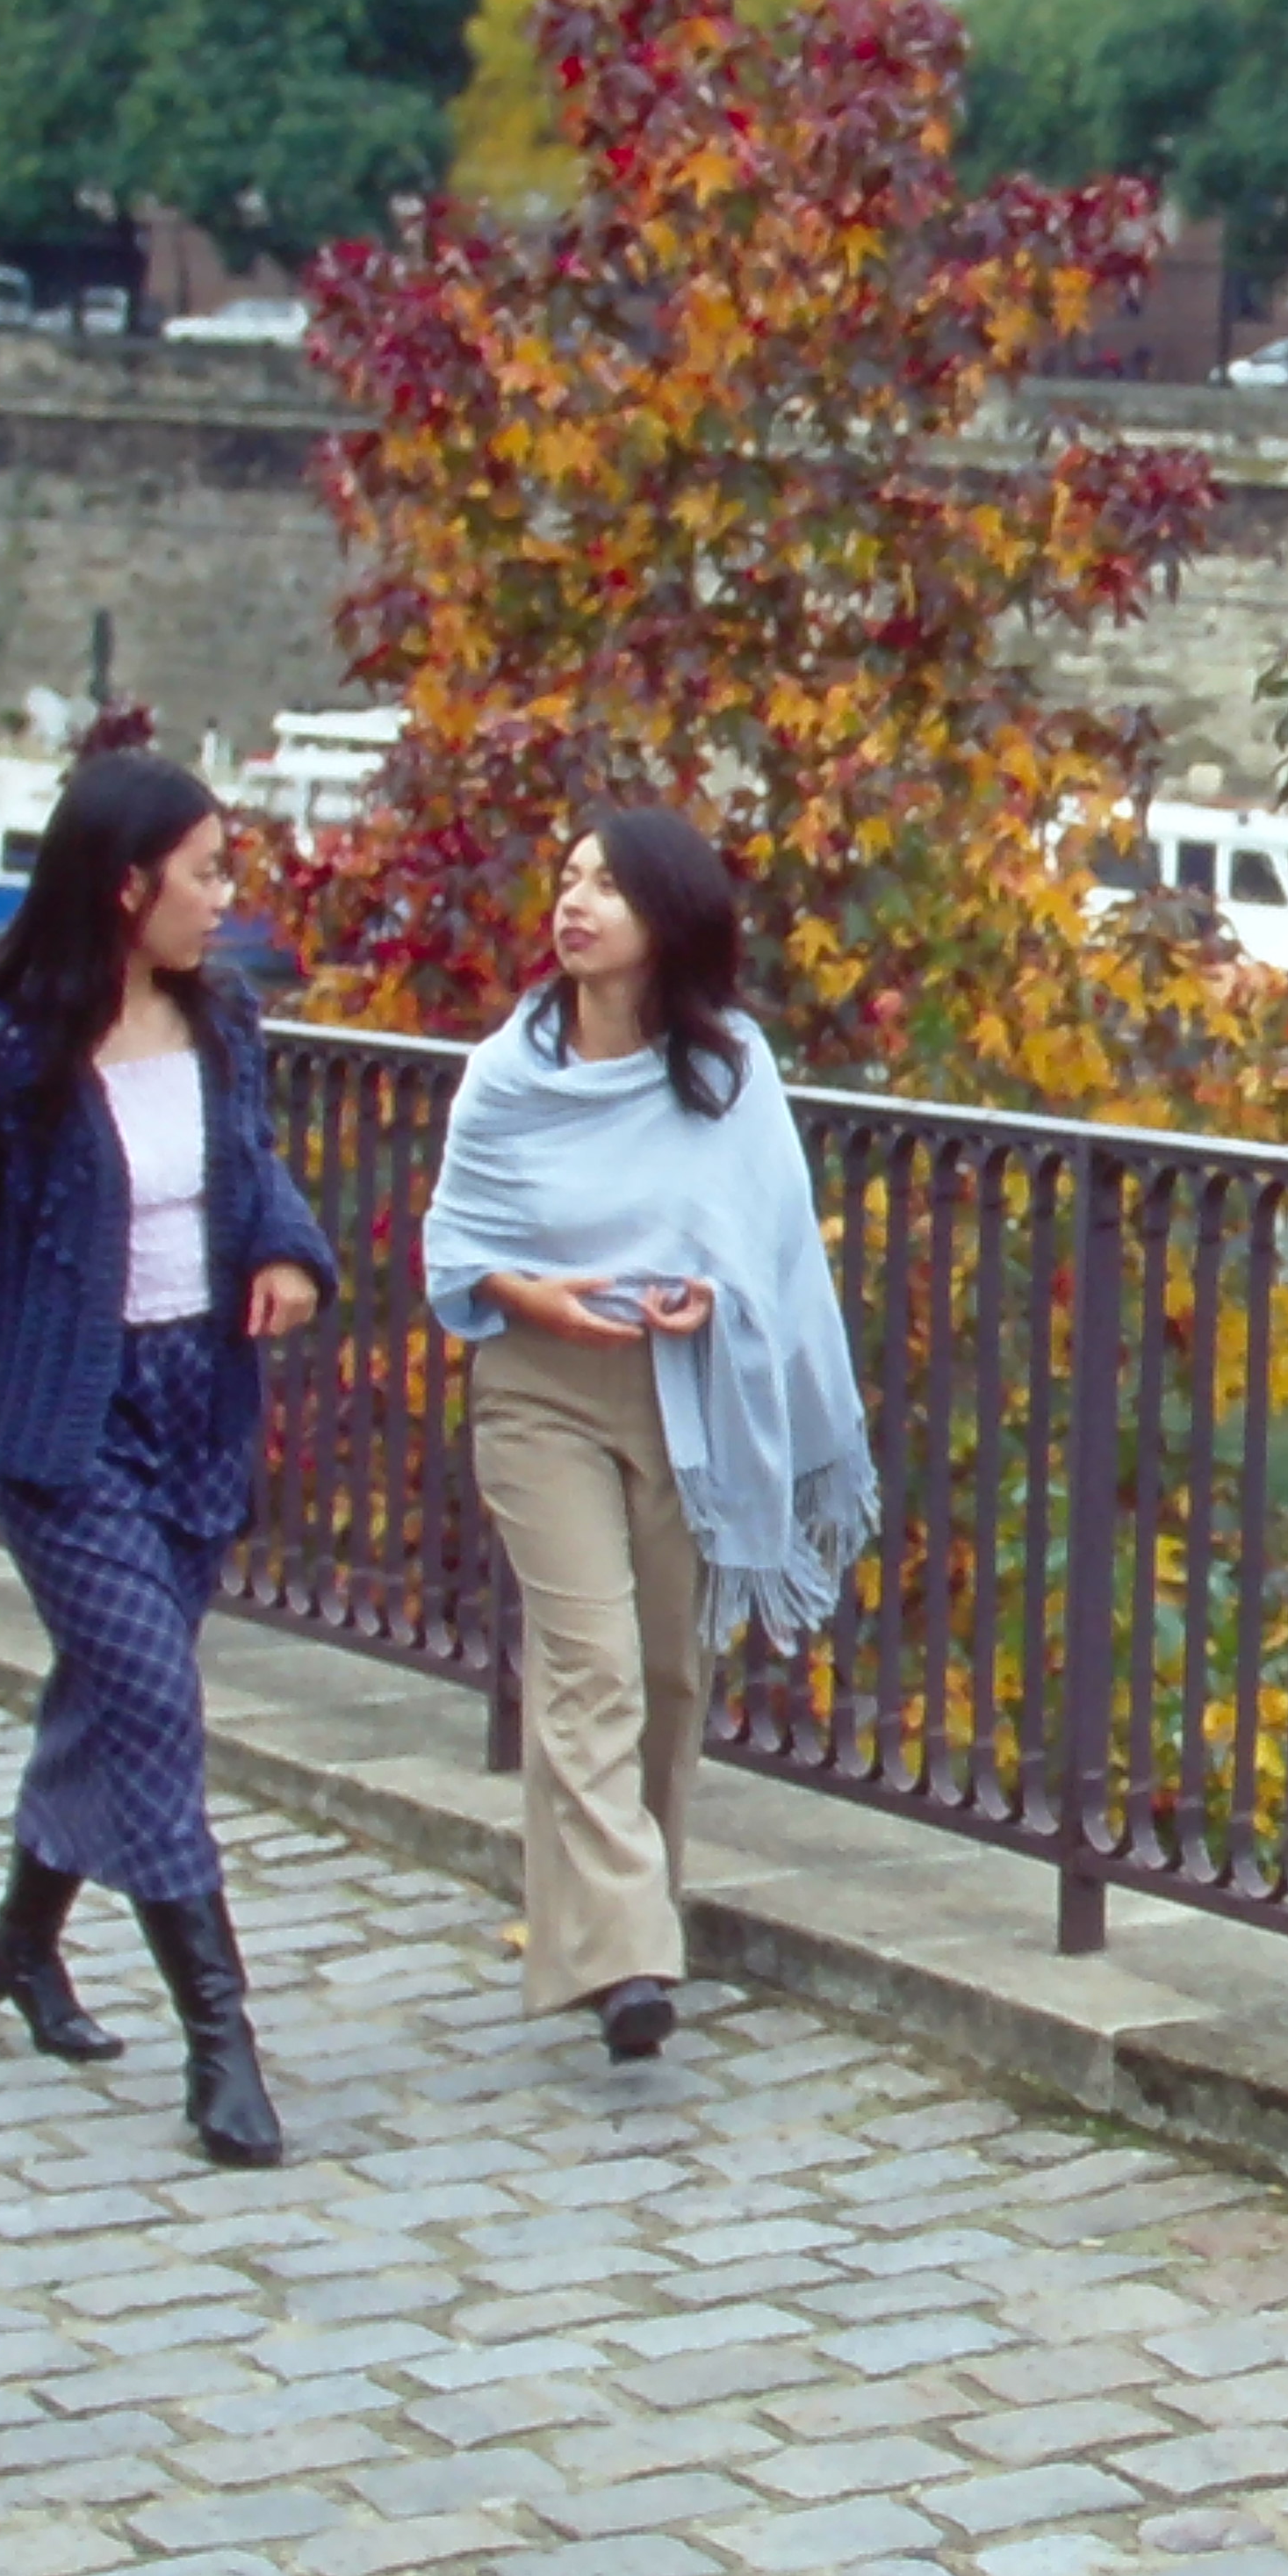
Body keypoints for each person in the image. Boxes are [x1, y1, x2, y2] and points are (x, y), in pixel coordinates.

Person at [0, 752, 336, 2169]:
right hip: (64, 1431)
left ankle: (23, 1944)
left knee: (107, 1698)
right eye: (208, 873)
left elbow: (255, 1168)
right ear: (126, 883)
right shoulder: (3, 1060)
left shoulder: (225, 1025)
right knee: (154, 1707)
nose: (226, 899)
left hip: (196, 1411)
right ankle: (224, 2048)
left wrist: (287, 1252)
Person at [421, 811, 875, 2062]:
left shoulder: (727, 1072)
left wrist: (710, 1300)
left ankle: (630, 1921)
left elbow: (764, 1240)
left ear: (667, 920)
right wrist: (537, 1300)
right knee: (590, 1665)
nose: (576, 906)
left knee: (672, 1673)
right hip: (540, 1389)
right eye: (567, 881)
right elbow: (458, 1249)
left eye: (609, 888)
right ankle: (626, 1958)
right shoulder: (508, 1077)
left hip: (683, 1390)